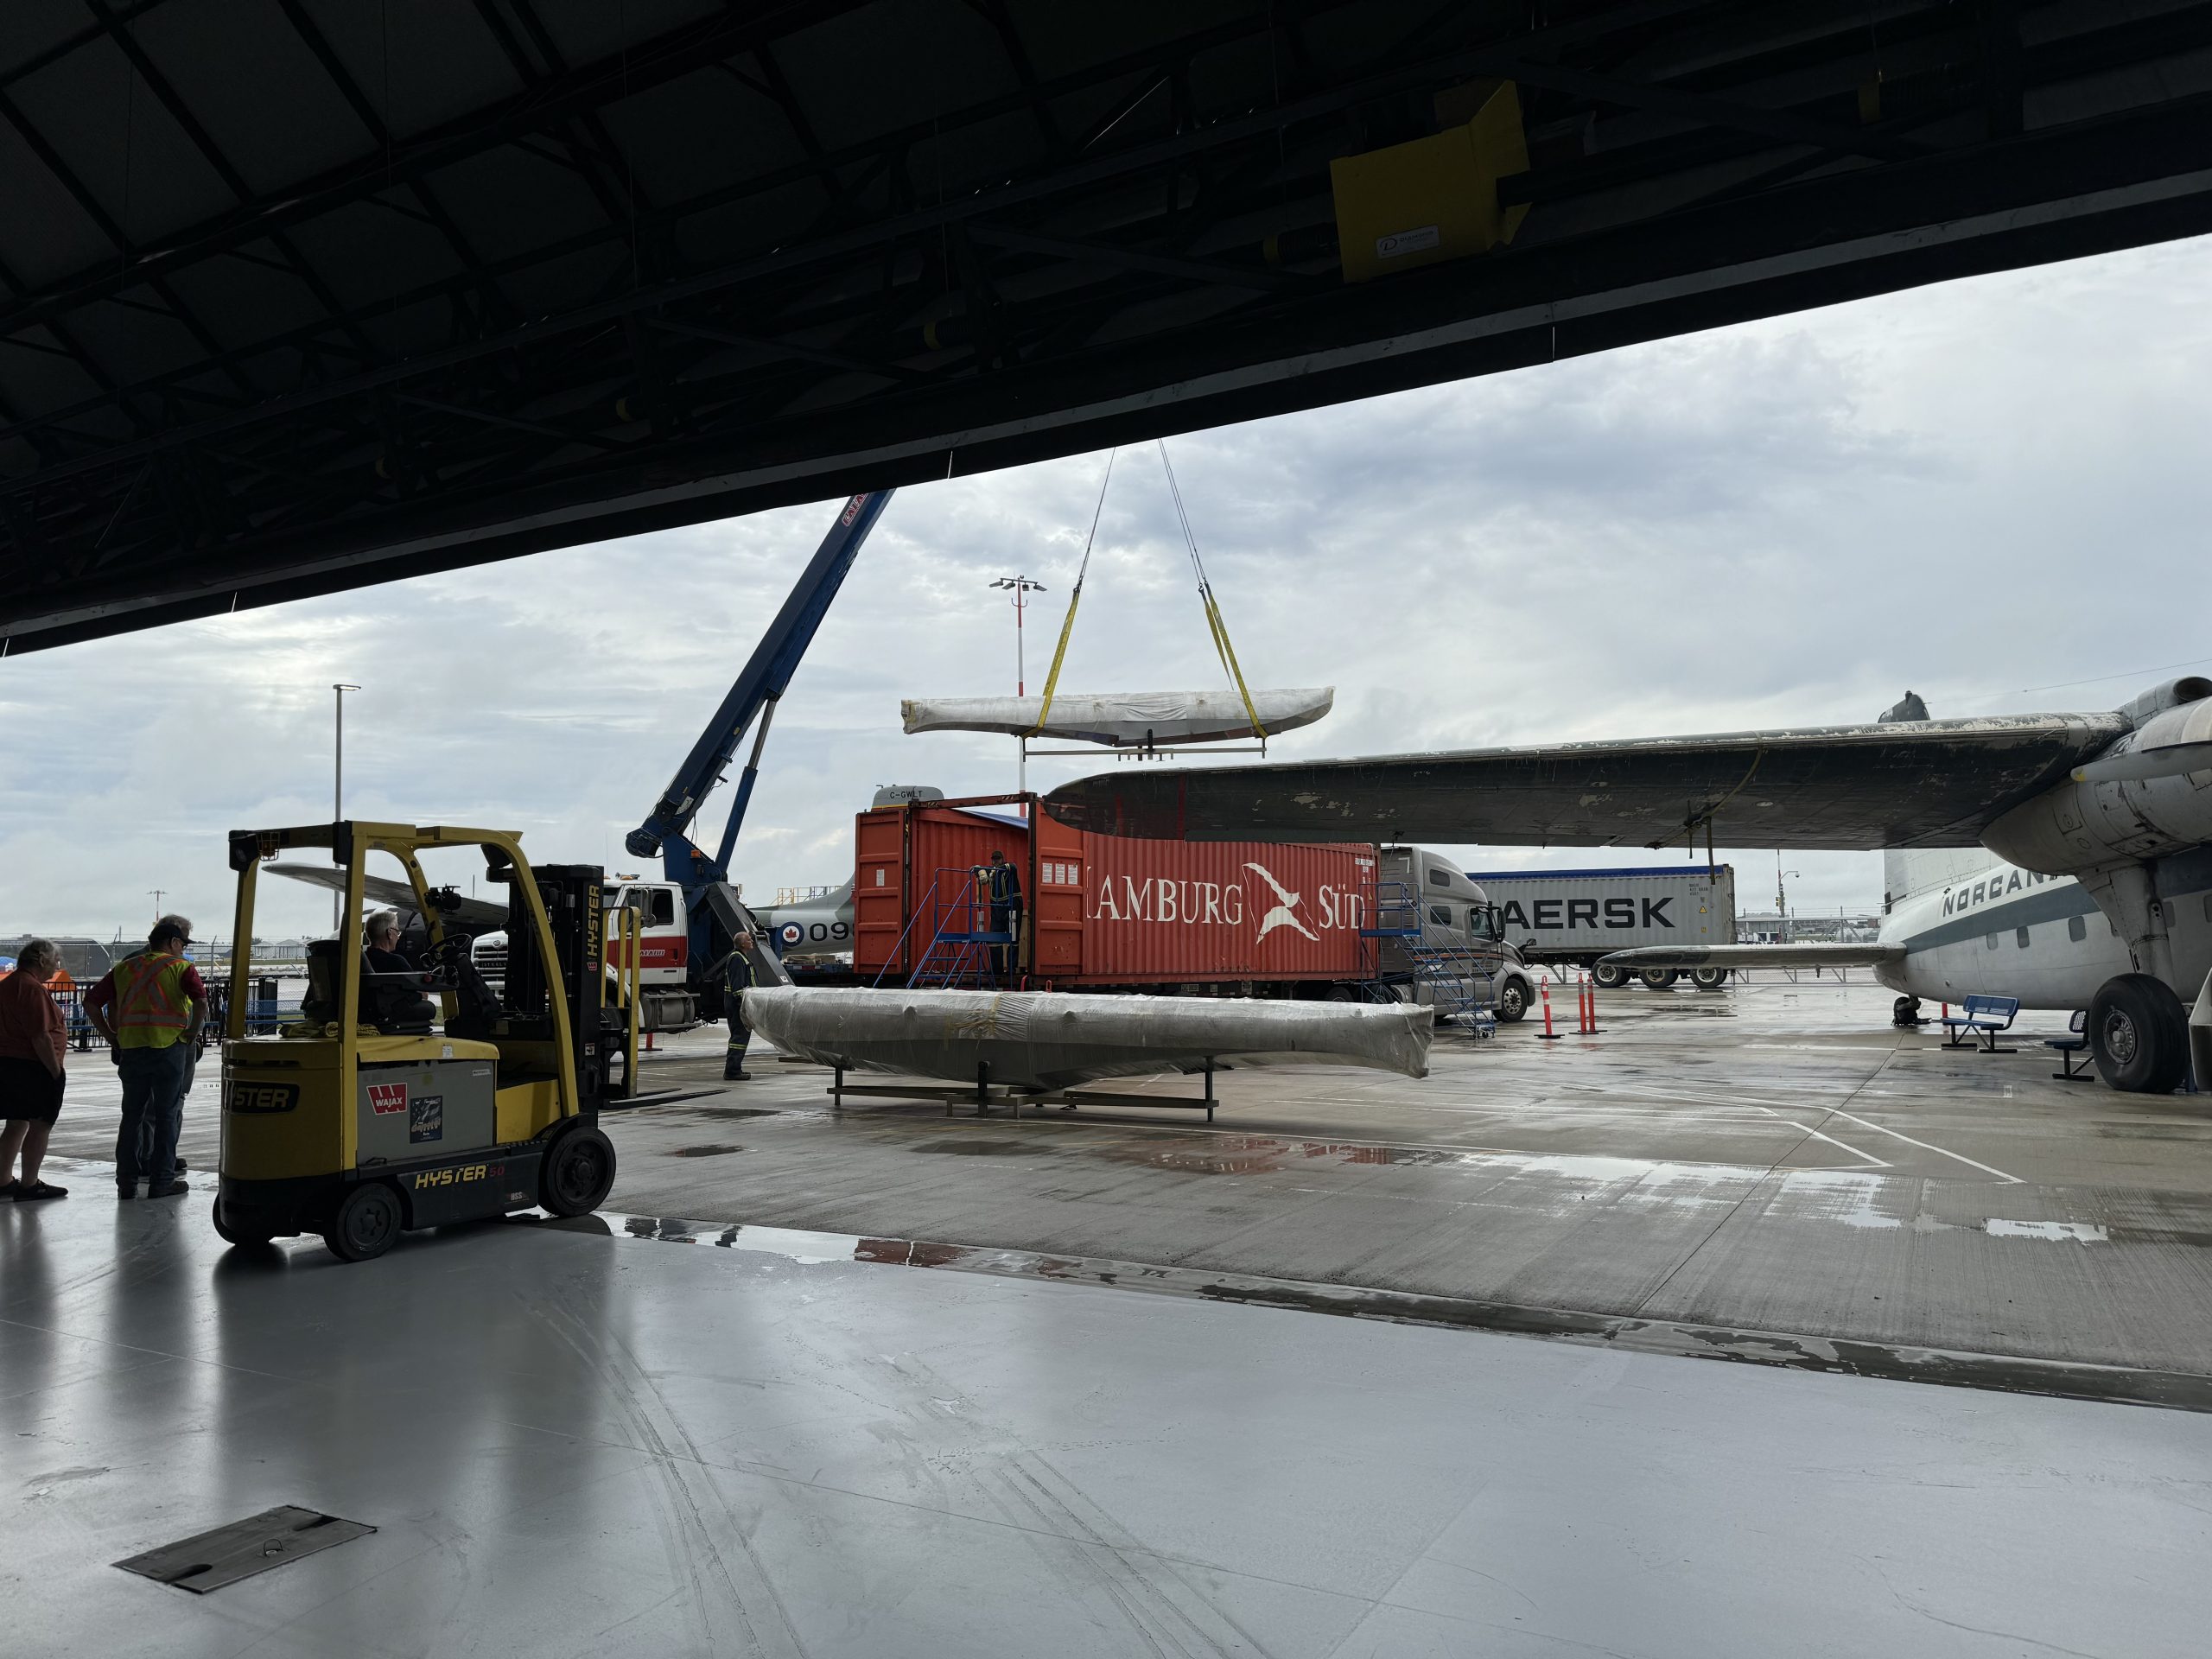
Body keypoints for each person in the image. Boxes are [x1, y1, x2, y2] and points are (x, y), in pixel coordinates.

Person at [85, 915, 206, 1200]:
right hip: (169, 1049)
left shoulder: (124, 967)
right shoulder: (181, 967)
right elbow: (201, 1001)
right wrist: (190, 1033)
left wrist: (110, 1035)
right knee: (167, 1116)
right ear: (174, 942)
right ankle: (162, 1181)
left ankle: (126, 1182)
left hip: (132, 1050)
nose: (183, 948)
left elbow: (90, 1002)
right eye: (182, 943)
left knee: (132, 1117)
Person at [0, 938, 70, 1201]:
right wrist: (55, 1071)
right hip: (32, 1066)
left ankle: (3, 1179)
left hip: (8, 1064)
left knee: (16, 1122)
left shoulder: (7, 985)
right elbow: (40, 1036)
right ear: (41, 959)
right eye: (55, 960)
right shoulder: (31, 989)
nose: (56, 966)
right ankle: (30, 1184)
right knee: (41, 1125)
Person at [723, 927, 757, 1081]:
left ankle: (735, 1069)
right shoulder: (737, 958)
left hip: (739, 1004)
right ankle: (732, 1071)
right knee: (739, 1038)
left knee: (740, 1037)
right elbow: (738, 987)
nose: (752, 941)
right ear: (743, 944)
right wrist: (744, 1005)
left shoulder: (740, 957)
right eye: (749, 940)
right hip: (738, 1005)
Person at [984, 849, 1023, 981]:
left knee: (1012, 939)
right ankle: (997, 970)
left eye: (998, 859)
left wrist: (996, 869)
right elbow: (978, 870)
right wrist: (980, 871)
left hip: (1012, 906)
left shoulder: (1009, 869)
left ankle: (1011, 969)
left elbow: (1013, 866)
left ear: (1002, 859)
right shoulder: (993, 873)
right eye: (994, 859)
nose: (996, 861)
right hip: (997, 909)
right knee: (994, 939)